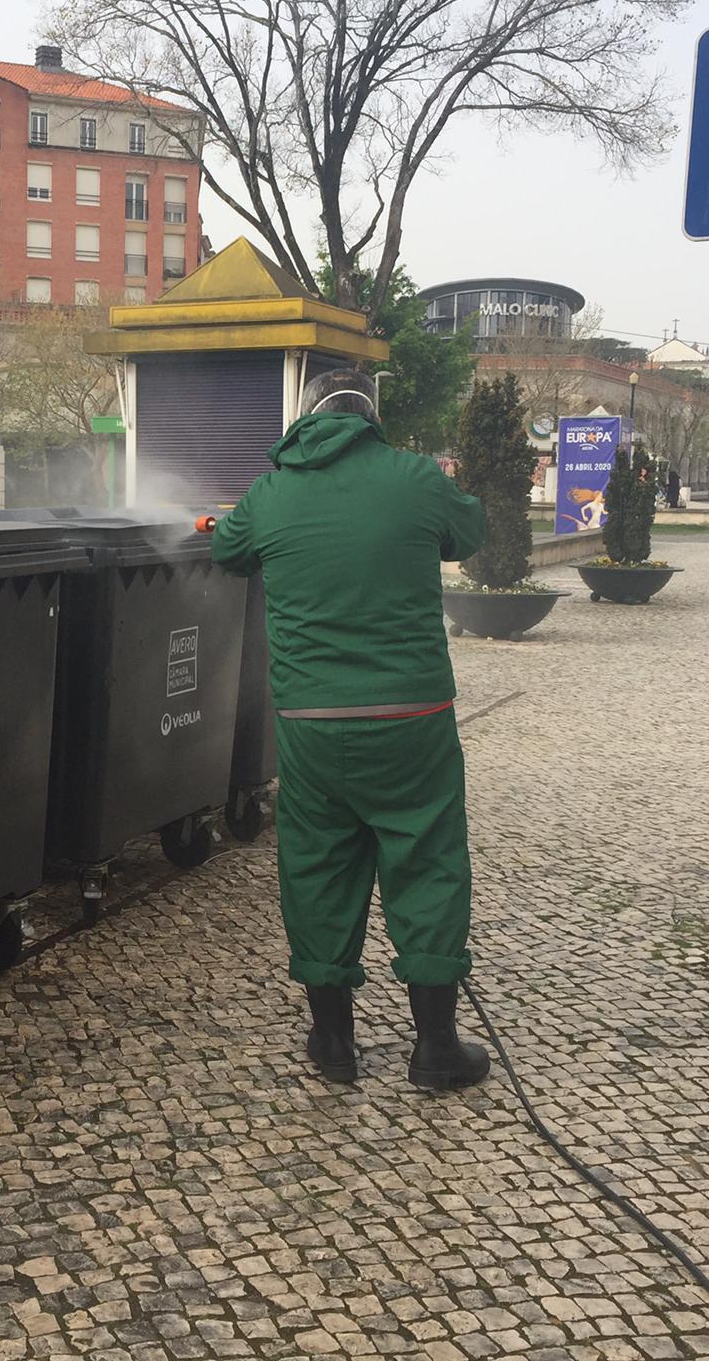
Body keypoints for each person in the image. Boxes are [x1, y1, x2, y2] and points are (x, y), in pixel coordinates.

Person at [211, 368, 491, 1092]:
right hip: (414, 719)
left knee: (317, 867)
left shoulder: (272, 490)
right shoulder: (415, 476)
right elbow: (471, 531)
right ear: (371, 416)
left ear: (307, 417)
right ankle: (435, 1051)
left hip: (312, 722)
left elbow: (227, 551)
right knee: (426, 864)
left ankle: (332, 1043)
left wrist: (230, 520)